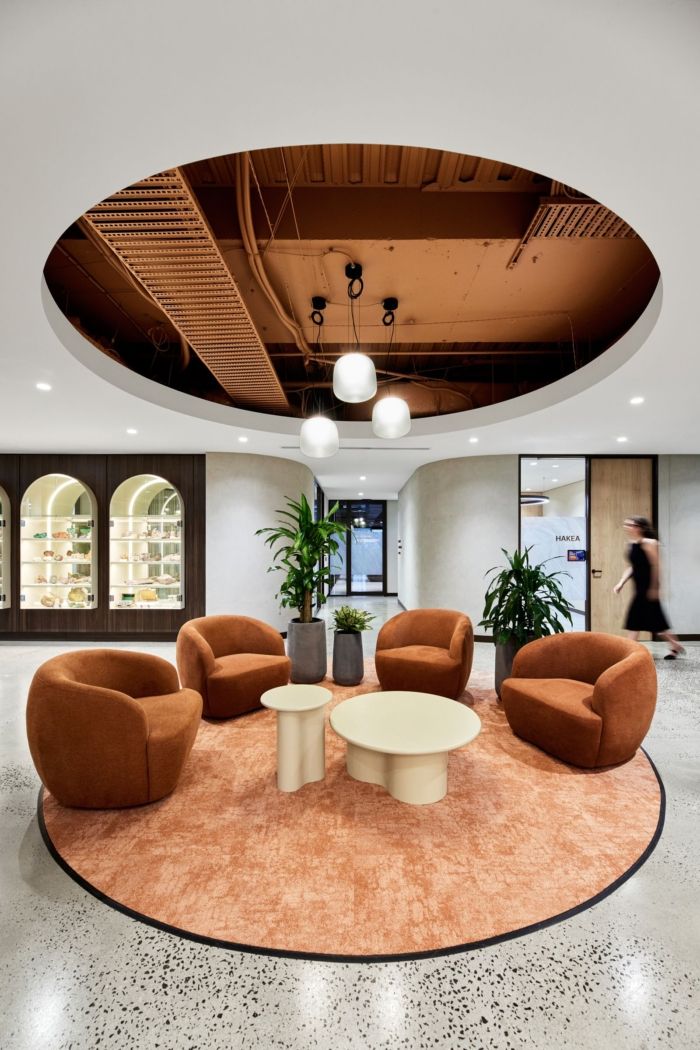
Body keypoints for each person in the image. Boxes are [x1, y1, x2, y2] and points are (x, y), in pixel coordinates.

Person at [613, 515, 685, 659]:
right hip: (639, 587)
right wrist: (621, 582)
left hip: (648, 588)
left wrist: (655, 588)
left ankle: (627, 653)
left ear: (639, 527)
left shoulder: (650, 543)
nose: (626, 527)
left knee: (636, 619)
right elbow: (632, 567)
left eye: (630, 525)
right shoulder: (630, 544)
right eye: (626, 524)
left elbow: (656, 566)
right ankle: (675, 645)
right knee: (655, 620)